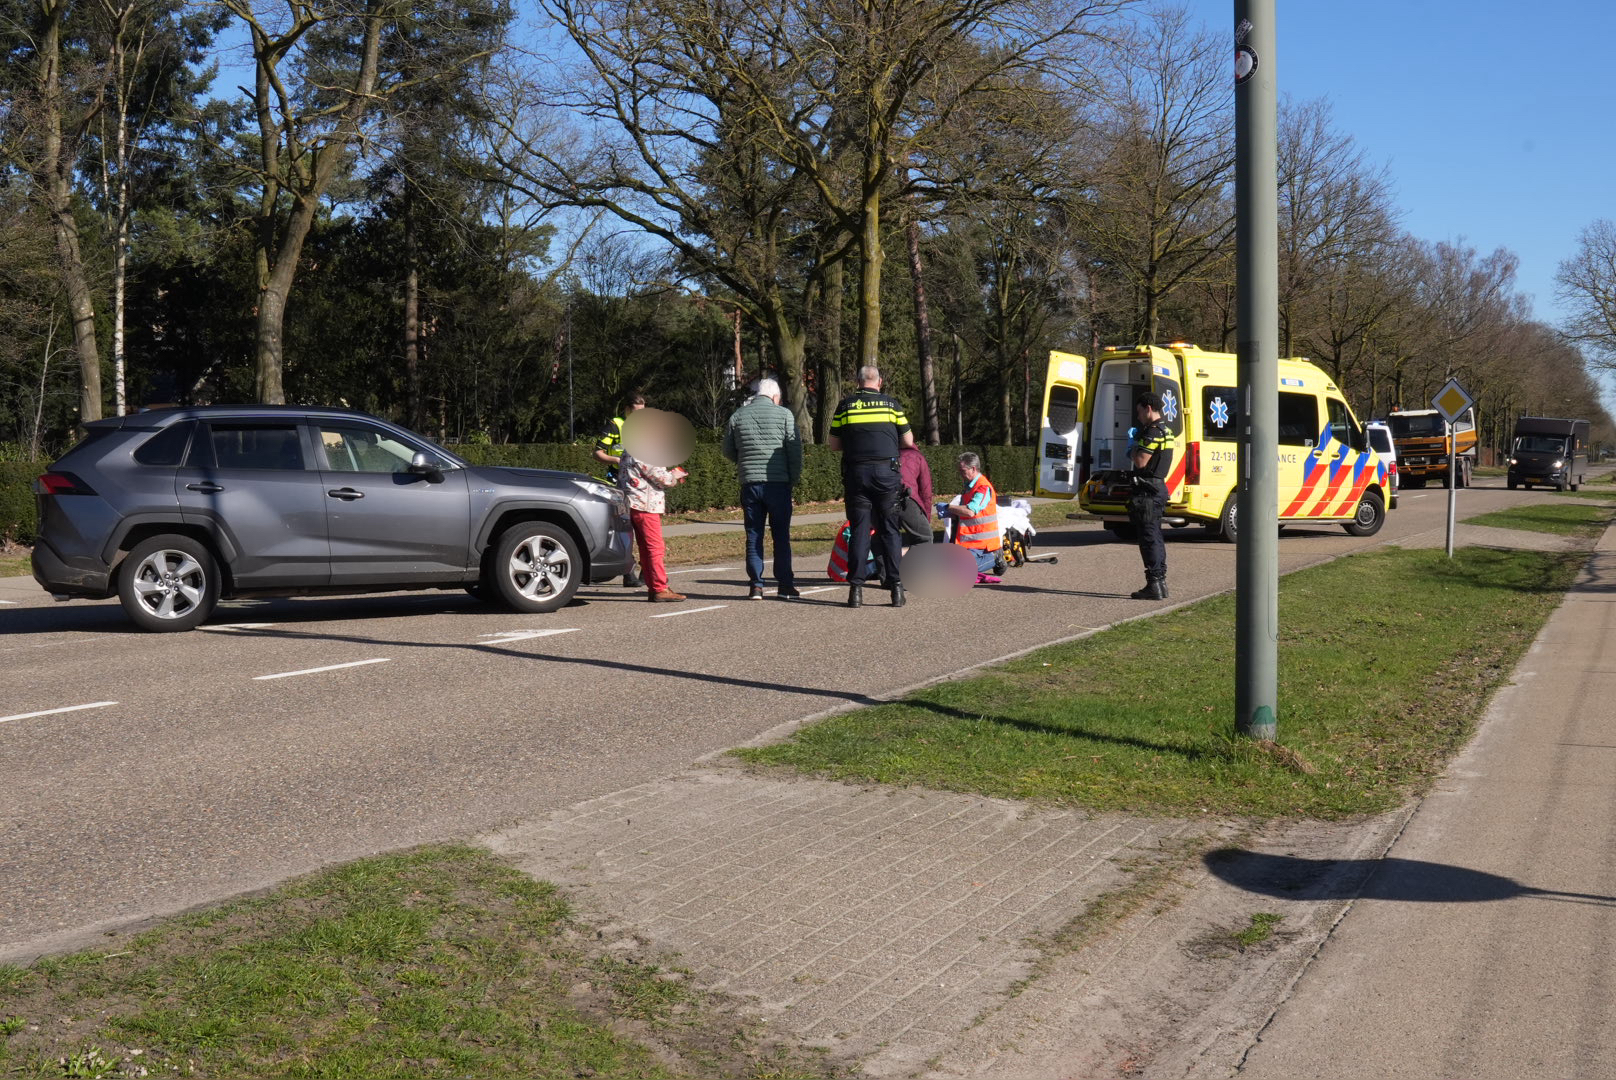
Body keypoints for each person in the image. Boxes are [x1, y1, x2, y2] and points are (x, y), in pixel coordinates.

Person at [828, 365, 914, 608]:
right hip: (887, 475)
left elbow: (834, 444)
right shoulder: (891, 405)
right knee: (889, 530)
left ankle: (855, 590)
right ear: (880, 382)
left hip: (857, 474)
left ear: (857, 383)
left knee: (859, 531)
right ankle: (896, 589)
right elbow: (908, 440)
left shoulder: (845, 406)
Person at [721, 377, 803, 600]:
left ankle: (756, 585)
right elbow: (794, 451)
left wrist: (744, 461)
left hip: (750, 483)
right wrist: (792, 478)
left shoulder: (737, 416)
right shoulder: (785, 415)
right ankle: (785, 584)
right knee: (781, 535)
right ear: (775, 397)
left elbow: (727, 449)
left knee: (754, 535)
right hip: (778, 484)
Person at [594, 392, 648, 587]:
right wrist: (618, 460)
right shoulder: (615, 425)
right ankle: (629, 572)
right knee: (626, 527)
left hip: (641, 483)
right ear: (626, 410)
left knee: (646, 528)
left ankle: (646, 570)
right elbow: (598, 453)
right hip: (618, 481)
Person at [622, 450, 688, 603]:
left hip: (632, 502)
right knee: (655, 548)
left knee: (645, 548)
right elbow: (661, 477)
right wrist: (674, 476)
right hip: (646, 504)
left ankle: (655, 587)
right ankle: (659, 588)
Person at [1127, 391, 1174, 600]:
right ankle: (1160, 583)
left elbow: (1140, 462)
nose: (1138, 417)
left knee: (1148, 538)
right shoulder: (1166, 430)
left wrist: (1132, 446)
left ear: (1147, 408)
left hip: (1147, 490)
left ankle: (1154, 584)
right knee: (1155, 536)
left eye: (1139, 412)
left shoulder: (1152, 432)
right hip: (1157, 487)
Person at [943, 452, 1002, 583]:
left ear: (973, 469)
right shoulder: (969, 486)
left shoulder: (983, 487)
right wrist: (951, 512)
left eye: (962, 470)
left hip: (984, 546)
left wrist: (948, 507)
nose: (960, 473)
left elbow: (970, 511)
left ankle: (996, 558)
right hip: (969, 543)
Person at [898, 442, 934, 556]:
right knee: (923, 538)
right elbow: (926, 491)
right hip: (905, 497)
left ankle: (885, 573)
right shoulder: (916, 455)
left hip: (881, 498)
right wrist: (926, 517)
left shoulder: (881, 453)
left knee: (885, 538)